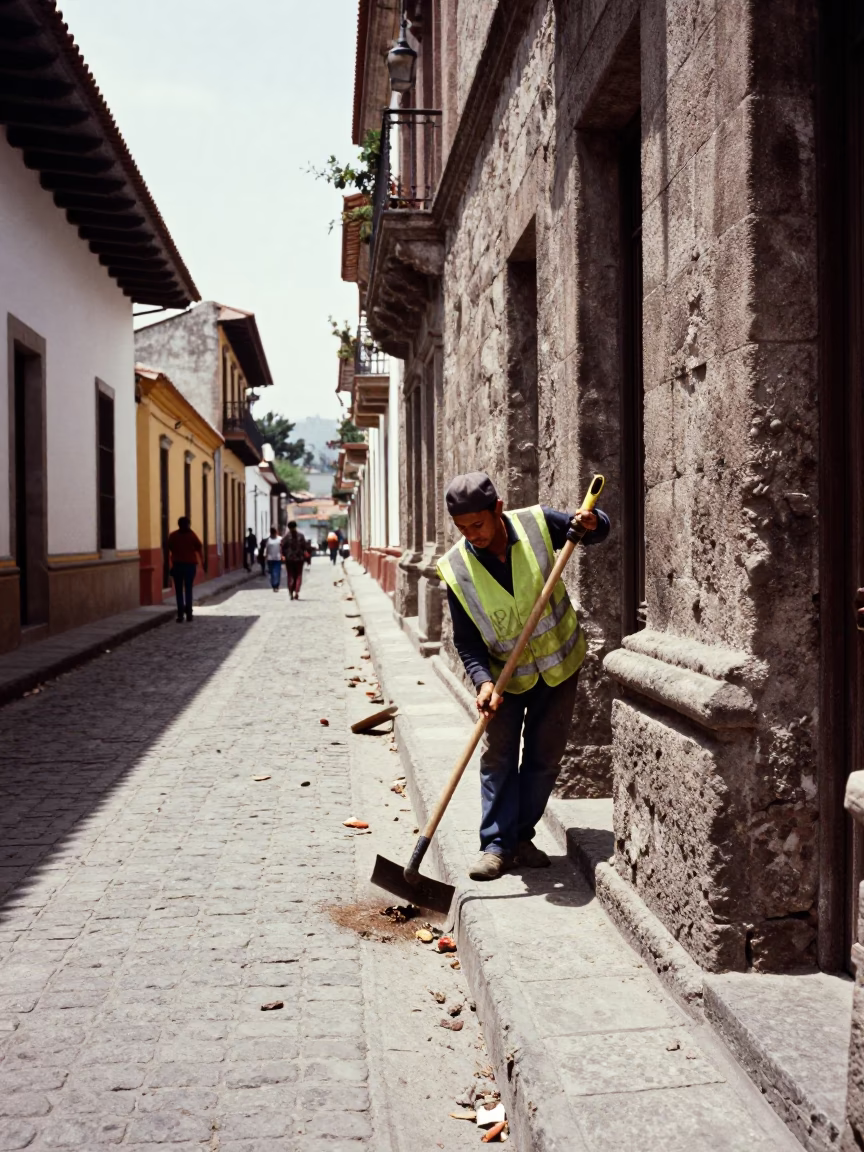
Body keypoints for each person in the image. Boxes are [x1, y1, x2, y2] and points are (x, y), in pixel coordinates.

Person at [436, 472, 610, 881]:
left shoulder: (536, 523)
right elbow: (467, 641)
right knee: (497, 757)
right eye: (462, 528)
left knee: (544, 758)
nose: (471, 535)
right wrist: (482, 682)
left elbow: (594, 528)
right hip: (503, 678)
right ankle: (496, 845)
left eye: (477, 525)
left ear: (497, 510)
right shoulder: (456, 568)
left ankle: (519, 838)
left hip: (559, 666)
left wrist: (593, 522)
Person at [167, 515, 203, 623]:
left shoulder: (173, 535)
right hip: (190, 566)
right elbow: (199, 547)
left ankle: (180, 615)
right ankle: (189, 614)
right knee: (188, 589)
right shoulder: (192, 535)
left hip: (177, 565)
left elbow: (170, 547)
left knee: (178, 591)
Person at [281, 520, 308, 600]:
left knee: (290, 575)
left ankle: (290, 592)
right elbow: (305, 547)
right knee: (298, 575)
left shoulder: (286, 537)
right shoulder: (301, 536)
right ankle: (296, 591)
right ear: (296, 526)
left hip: (289, 559)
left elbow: (282, 547)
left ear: (288, 527)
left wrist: (283, 555)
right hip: (299, 558)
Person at [263, 526, 283, 592]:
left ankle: (276, 585)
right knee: (272, 572)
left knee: (276, 572)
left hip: (277, 558)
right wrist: (265, 556)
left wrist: (282, 555)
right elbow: (266, 549)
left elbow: (282, 548)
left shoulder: (279, 539)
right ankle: (274, 585)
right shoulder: (268, 540)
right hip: (271, 558)